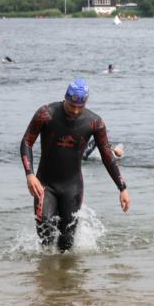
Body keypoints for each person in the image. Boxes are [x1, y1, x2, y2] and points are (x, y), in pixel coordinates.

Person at [20, 79, 130, 252]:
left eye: (80, 106)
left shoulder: (95, 122)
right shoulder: (46, 114)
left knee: (67, 242)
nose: (76, 111)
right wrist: (29, 174)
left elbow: (107, 155)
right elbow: (27, 142)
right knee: (46, 233)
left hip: (72, 186)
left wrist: (122, 188)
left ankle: (66, 278)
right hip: (45, 184)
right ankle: (44, 276)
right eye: (72, 106)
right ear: (65, 98)